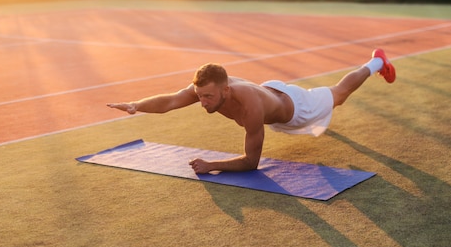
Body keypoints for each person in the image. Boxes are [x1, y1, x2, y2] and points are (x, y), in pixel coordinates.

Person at [107, 49, 395, 174]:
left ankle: (377, 63)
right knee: (334, 97)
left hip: (294, 109)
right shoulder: (208, 90)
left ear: (226, 90)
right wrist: (137, 105)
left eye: (208, 97)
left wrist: (212, 165)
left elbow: (251, 161)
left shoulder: (250, 107)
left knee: (339, 95)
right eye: (200, 96)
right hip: (270, 91)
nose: (202, 102)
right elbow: (170, 101)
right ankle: (376, 64)